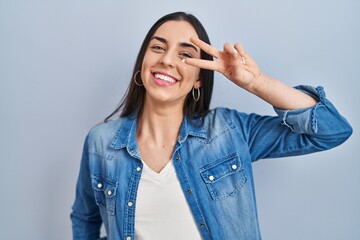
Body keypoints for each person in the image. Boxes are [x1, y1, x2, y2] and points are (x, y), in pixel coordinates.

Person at [70, 11, 352, 240]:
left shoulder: (229, 131)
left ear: (198, 79)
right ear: (142, 63)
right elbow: (85, 219)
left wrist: (255, 82)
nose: (167, 60)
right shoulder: (101, 142)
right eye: (157, 47)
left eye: (185, 54)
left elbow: (331, 130)